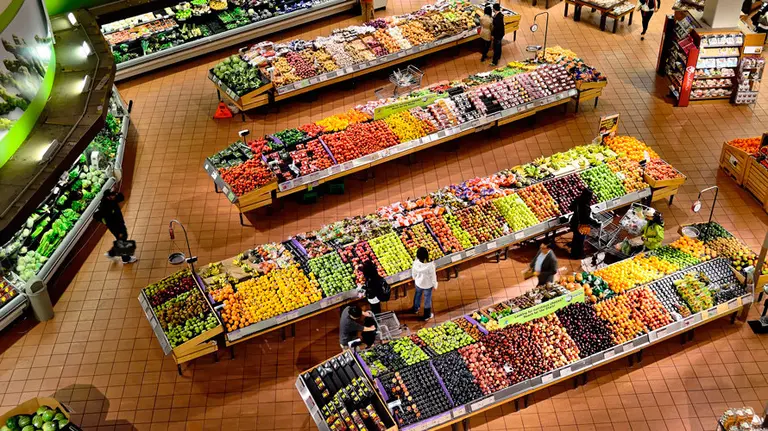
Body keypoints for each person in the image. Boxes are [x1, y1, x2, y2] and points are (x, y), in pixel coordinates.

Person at [94, 189, 137, 264]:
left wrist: (117, 193)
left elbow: (121, 198)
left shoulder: (111, 200)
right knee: (122, 240)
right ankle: (125, 259)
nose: (115, 196)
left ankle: (112, 253)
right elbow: (109, 221)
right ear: (108, 197)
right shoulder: (105, 207)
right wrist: (118, 231)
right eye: (113, 195)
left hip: (119, 223)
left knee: (122, 239)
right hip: (116, 227)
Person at [411, 247, 437, 321]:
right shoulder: (430, 266)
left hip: (418, 283)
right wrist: (435, 284)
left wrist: (415, 278)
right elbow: (433, 277)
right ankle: (426, 315)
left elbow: (414, 274)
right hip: (427, 285)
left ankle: (415, 309)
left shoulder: (415, 263)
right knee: (427, 299)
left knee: (417, 295)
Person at [569, 189, 595, 260]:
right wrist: (595, 222)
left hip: (575, 223)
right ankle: (579, 255)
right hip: (582, 225)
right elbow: (586, 218)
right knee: (580, 240)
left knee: (575, 239)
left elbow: (570, 207)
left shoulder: (578, 199)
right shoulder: (585, 205)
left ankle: (573, 254)